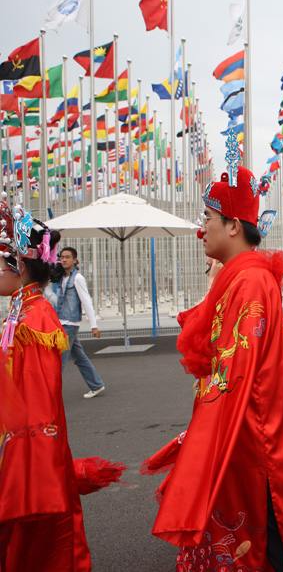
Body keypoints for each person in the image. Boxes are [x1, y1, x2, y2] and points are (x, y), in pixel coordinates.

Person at [142, 159, 283, 571]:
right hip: (244, 436)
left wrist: (202, 444)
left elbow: (232, 374)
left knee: (267, 546)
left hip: (257, 444)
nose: (202, 229)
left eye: (208, 218)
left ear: (234, 225)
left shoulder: (250, 281)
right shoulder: (239, 277)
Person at [0, 198, 124, 571]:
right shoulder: (23, 309)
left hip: (29, 457)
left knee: (41, 548)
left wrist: (29, 472)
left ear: (18, 265)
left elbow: (39, 407)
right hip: (18, 448)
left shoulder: (34, 319)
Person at [48, 246, 105, 398]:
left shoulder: (78, 278)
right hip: (61, 323)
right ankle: (96, 384)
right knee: (79, 357)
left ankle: (51, 394)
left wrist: (94, 326)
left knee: (59, 359)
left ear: (74, 260)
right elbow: (57, 300)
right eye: (62, 257)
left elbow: (87, 301)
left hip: (70, 325)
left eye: (67, 257)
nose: (64, 259)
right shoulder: (61, 278)